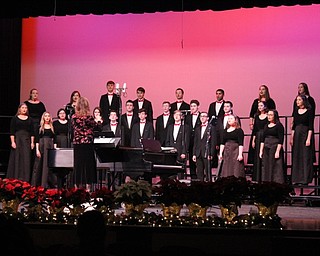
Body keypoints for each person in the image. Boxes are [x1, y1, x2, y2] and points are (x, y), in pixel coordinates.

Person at [72, 96, 101, 191]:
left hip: (77, 144)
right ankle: (88, 188)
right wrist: (99, 121)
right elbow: (97, 128)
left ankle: (77, 187)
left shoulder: (74, 117)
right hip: (88, 143)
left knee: (78, 165)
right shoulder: (89, 118)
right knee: (89, 165)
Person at [6, 103, 35, 182]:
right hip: (17, 140)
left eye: (26, 108)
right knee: (17, 158)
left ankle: (25, 179)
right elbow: (12, 132)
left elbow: (32, 132)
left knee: (26, 159)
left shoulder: (30, 119)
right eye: (23, 107)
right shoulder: (15, 119)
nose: (24, 109)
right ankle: (15, 178)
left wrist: (32, 142)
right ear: (19, 109)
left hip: (26, 140)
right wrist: (13, 142)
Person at [248, 85, 276, 165]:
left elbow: (273, 112)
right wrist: (251, 123)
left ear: (266, 91)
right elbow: (252, 113)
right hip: (258, 123)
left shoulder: (270, 101)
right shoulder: (255, 101)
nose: (261, 91)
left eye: (263, 89)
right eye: (260, 89)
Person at [290, 95, 314, 185]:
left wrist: (308, 138)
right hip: (297, 134)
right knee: (296, 156)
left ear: (304, 101)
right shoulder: (296, 111)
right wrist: (292, 137)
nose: (297, 101)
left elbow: (310, 126)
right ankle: (296, 179)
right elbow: (294, 126)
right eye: (297, 100)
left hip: (305, 134)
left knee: (305, 156)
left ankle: (305, 179)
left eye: (299, 100)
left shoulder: (309, 111)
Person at [31, 111, 57, 188]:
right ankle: (38, 183)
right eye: (46, 116)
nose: (47, 117)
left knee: (49, 165)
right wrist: (37, 150)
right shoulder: (40, 128)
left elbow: (54, 139)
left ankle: (48, 183)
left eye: (48, 116)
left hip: (49, 146)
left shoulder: (52, 127)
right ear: (43, 117)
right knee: (40, 164)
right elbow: (37, 140)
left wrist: (54, 149)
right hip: (42, 146)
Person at [259, 109, 285, 184]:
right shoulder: (266, 126)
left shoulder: (279, 126)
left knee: (275, 165)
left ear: (275, 116)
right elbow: (262, 139)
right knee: (266, 165)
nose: (269, 116)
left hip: (274, 147)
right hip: (266, 147)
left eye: (271, 115)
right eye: (268, 115)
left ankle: (276, 182)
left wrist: (277, 151)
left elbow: (281, 140)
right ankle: (266, 181)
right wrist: (261, 150)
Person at [192, 111, 217, 181]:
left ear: (208, 118)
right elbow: (195, 142)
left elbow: (213, 142)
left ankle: (209, 185)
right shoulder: (197, 128)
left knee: (208, 171)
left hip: (207, 152)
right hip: (198, 153)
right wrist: (194, 154)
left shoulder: (211, 128)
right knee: (199, 172)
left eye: (204, 116)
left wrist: (211, 154)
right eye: (201, 116)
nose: (202, 118)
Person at [165, 110, 190, 178]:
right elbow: (168, 139)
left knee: (180, 172)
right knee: (171, 171)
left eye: (178, 115)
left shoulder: (185, 127)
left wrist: (184, 152)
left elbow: (186, 141)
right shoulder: (170, 127)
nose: (176, 116)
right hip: (171, 152)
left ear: (181, 117)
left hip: (180, 151)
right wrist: (168, 150)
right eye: (175, 114)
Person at [251, 101, 268, 183]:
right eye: (258, 106)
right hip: (258, 136)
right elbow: (255, 129)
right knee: (257, 156)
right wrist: (253, 140)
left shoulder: (268, 116)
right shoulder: (256, 116)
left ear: (265, 107)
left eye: (261, 105)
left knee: (264, 155)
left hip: (265, 136)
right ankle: (257, 177)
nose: (259, 107)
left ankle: (264, 176)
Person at [184, 99, 201, 180]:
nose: (192, 108)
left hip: (199, 141)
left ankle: (200, 176)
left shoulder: (202, 116)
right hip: (190, 141)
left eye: (194, 106)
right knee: (191, 159)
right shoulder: (187, 117)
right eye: (191, 106)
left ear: (198, 107)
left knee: (199, 159)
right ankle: (193, 176)